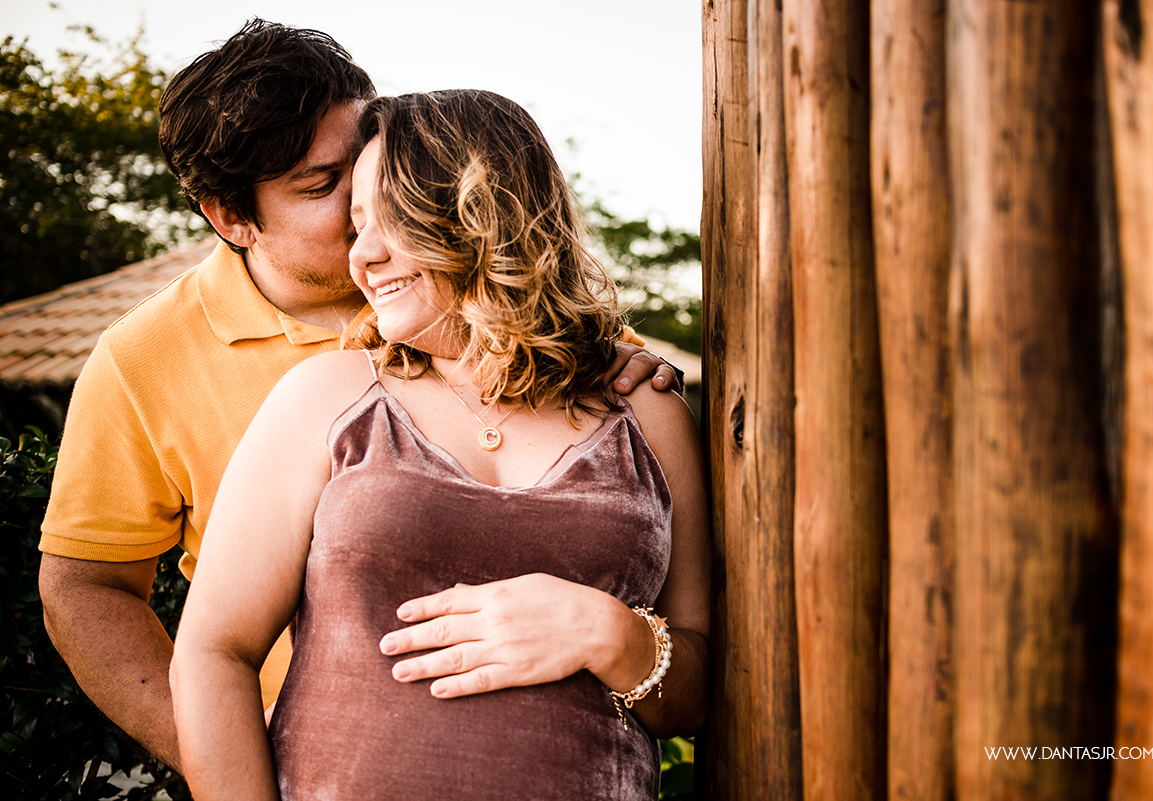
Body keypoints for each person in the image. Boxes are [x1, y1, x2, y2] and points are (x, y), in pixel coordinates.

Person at [36, 21, 678, 773]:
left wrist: (625, 363)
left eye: (370, 165)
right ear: (231, 218)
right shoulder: (143, 357)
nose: (362, 207)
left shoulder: (507, 313)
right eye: (320, 186)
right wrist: (226, 754)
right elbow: (87, 586)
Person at [170, 89, 710, 800]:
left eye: (389, 219)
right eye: (356, 225)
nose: (362, 256)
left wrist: (604, 629)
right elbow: (213, 653)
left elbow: (700, 695)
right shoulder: (325, 397)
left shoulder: (647, 409)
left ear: (484, 213)